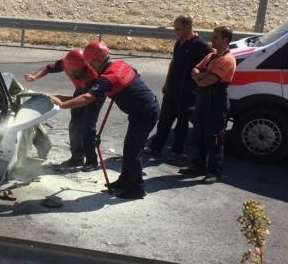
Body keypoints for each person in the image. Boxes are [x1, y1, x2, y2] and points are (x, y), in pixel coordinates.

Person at [48, 41, 159, 199]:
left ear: (98, 60)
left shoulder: (107, 78)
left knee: (132, 151)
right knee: (129, 149)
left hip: (145, 113)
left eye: (90, 62)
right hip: (144, 110)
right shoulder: (120, 64)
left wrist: (63, 104)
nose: (90, 66)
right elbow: (137, 73)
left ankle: (137, 188)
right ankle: (124, 181)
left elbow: (87, 98)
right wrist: (121, 88)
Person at [143, 15, 213, 161]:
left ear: (188, 27)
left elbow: (215, 61)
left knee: (182, 123)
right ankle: (156, 146)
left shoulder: (200, 45)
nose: (176, 32)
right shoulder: (179, 42)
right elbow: (173, 63)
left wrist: (201, 77)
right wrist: (167, 83)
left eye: (178, 29)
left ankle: (176, 151)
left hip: (187, 92)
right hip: (172, 89)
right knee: (164, 120)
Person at [25, 49, 106, 172]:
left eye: (70, 71)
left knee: (87, 128)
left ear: (80, 68)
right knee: (74, 125)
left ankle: (91, 160)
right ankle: (77, 157)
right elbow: (47, 68)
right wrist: (34, 76)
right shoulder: (67, 63)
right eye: (65, 70)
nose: (67, 73)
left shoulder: (92, 75)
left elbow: (84, 100)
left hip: (93, 96)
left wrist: (61, 100)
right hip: (80, 91)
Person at [178, 26, 236, 184]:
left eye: (216, 37)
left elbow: (211, 80)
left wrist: (200, 77)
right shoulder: (211, 55)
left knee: (215, 139)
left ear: (225, 40)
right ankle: (198, 165)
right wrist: (202, 76)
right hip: (202, 103)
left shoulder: (228, 60)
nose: (212, 39)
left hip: (216, 105)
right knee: (199, 136)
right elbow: (194, 71)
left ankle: (213, 171)